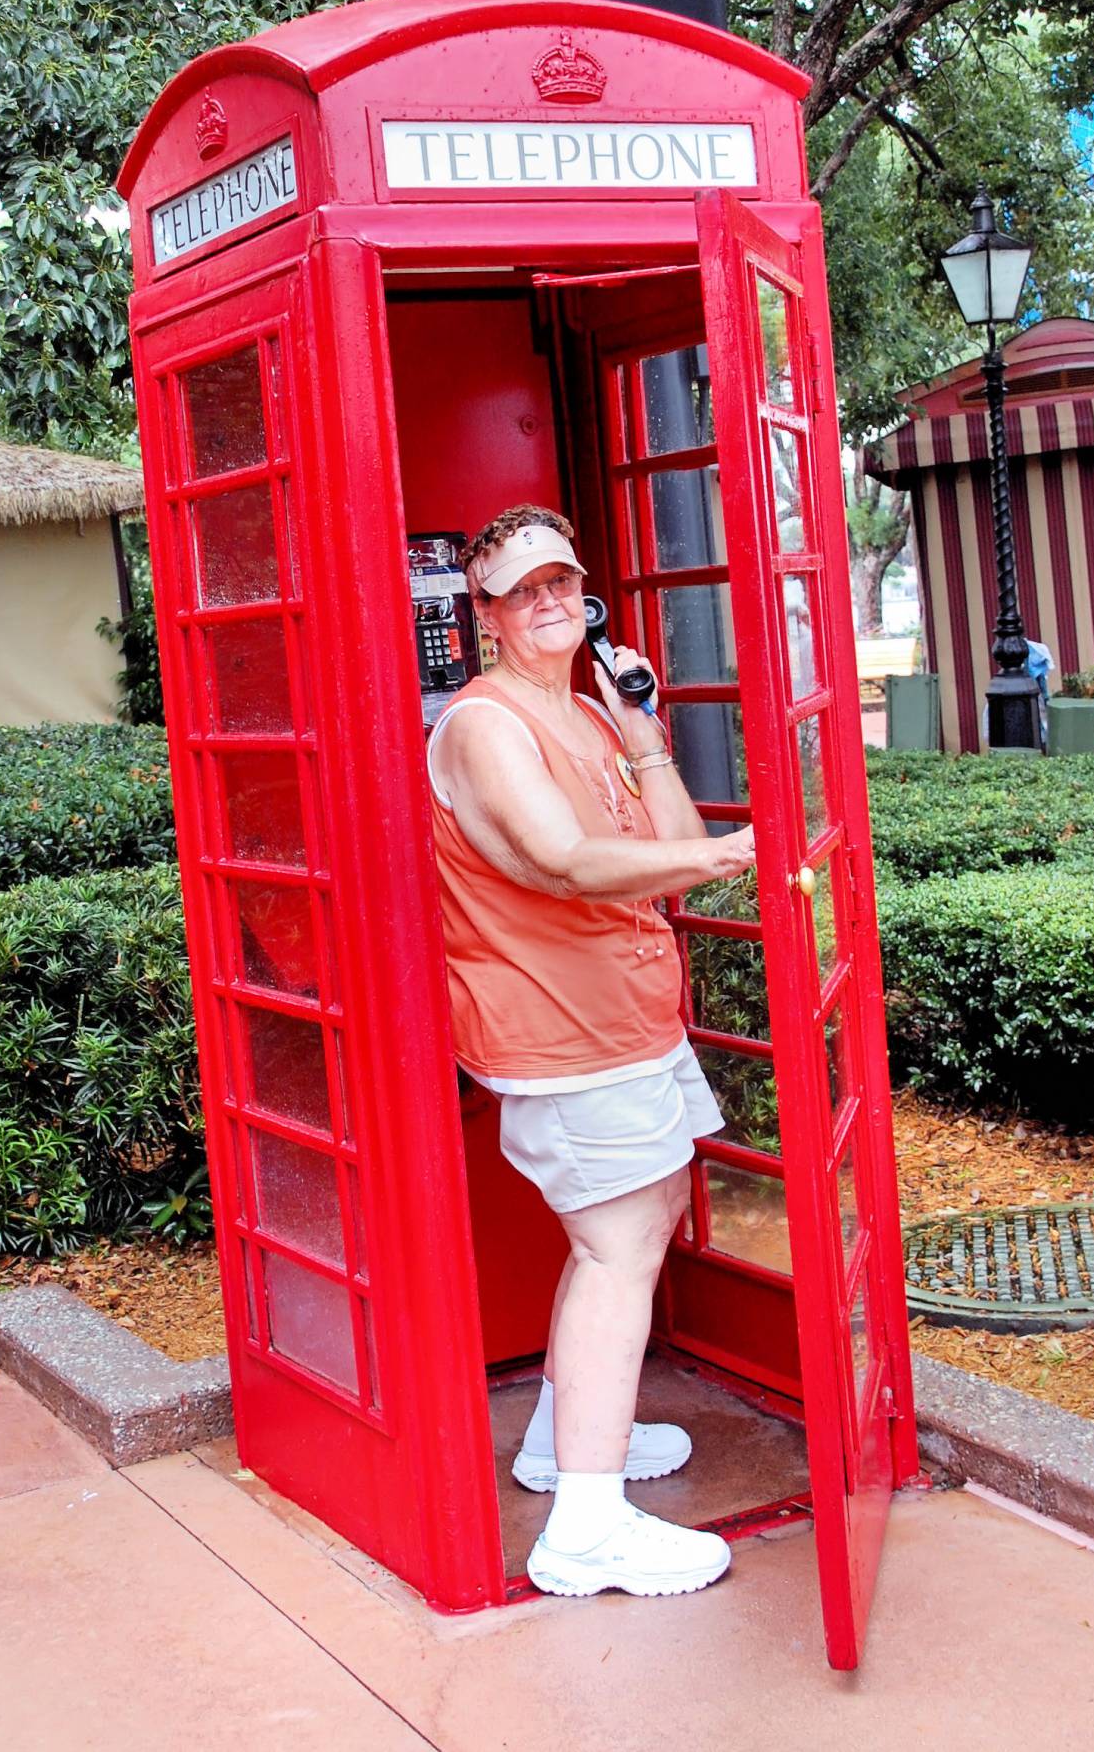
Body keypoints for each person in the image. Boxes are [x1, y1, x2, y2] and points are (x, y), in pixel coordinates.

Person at [427, 503, 757, 1598]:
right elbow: (567, 861)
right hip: (556, 1033)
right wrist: (727, 861)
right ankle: (584, 1525)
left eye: (564, 582)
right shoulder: (485, 726)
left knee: (644, 1218)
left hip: (622, 1021)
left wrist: (639, 719)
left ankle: (554, 1446)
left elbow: (661, 858)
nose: (552, 602)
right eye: (524, 590)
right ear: (483, 614)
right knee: (617, 1247)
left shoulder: (583, 710)